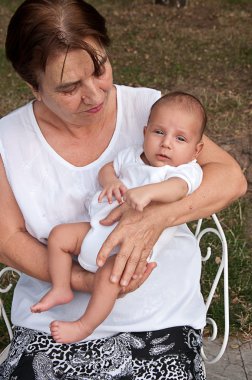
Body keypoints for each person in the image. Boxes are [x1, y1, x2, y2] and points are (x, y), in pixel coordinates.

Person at [0, 0, 247, 379]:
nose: (96, 95)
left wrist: (156, 219)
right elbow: (8, 239)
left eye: (99, 69)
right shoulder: (6, 141)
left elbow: (230, 176)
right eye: (69, 88)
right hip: (49, 324)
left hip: (159, 316)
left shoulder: (153, 113)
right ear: (34, 86)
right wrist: (89, 281)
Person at [31, 91, 206, 345]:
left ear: (196, 150)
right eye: (159, 132)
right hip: (96, 229)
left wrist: (149, 192)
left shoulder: (184, 170)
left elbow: (178, 189)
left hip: (128, 249)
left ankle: (84, 325)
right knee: (59, 236)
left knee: (110, 280)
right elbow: (108, 169)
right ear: (145, 132)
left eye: (180, 138)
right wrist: (111, 181)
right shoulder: (132, 156)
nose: (166, 143)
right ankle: (61, 288)